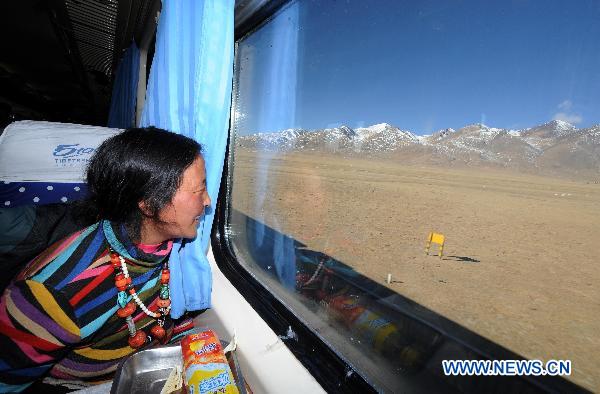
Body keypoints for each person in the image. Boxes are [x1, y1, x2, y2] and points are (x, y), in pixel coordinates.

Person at [0, 126, 211, 392]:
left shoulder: (176, 248)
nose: (207, 201)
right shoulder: (53, 293)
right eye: (198, 190)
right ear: (148, 204)